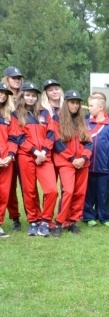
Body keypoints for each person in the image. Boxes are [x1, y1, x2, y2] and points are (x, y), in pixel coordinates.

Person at [9, 82, 59, 237]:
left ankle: (45, 221)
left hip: (45, 157)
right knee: (29, 191)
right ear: (22, 96)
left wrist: (43, 152)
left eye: (33, 95)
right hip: (26, 157)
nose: (30, 98)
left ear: (37, 97)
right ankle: (33, 221)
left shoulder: (45, 113)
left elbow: (51, 134)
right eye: (27, 95)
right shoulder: (16, 115)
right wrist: (35, 152)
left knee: (52, 190)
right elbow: (18, 137)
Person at [52, 90, 92, 236]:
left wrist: (83, 158)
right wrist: (72, 159)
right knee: (68, 191)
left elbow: (89, 143)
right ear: (66, 102)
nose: (75, 105)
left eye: (77, 103)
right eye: (72, 102)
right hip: (66, 162)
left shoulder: (82, 121)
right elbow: (57, 143)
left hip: (82, 163)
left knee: (79, 193)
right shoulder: (57, 119)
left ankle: (73, 222)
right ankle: (59, 222)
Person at [83, 92, 109, 227]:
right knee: (88, 193)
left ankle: (104, 217)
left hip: (104, 167)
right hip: (88, 165)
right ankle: (88, 216)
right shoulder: (86, 123)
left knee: (103, 193)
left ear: (101, 107)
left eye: (91, 106)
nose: (88, 108)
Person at [2, 67, 23, 231]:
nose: (17, 80)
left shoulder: (25, 96)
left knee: (25, 186)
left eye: (19, 78)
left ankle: (31, 218)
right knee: (8, 186)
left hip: (23, 146)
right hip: (8, 146)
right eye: (13, 77)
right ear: (6, 79)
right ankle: (14, 216)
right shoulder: (3, 98)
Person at [0, 82, 14, 237]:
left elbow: (14, 138)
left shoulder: (9, 116)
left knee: (3, 193)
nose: (2, 95)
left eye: (5, 93)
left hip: (6, 161)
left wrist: (10, 156)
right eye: (0, 92)